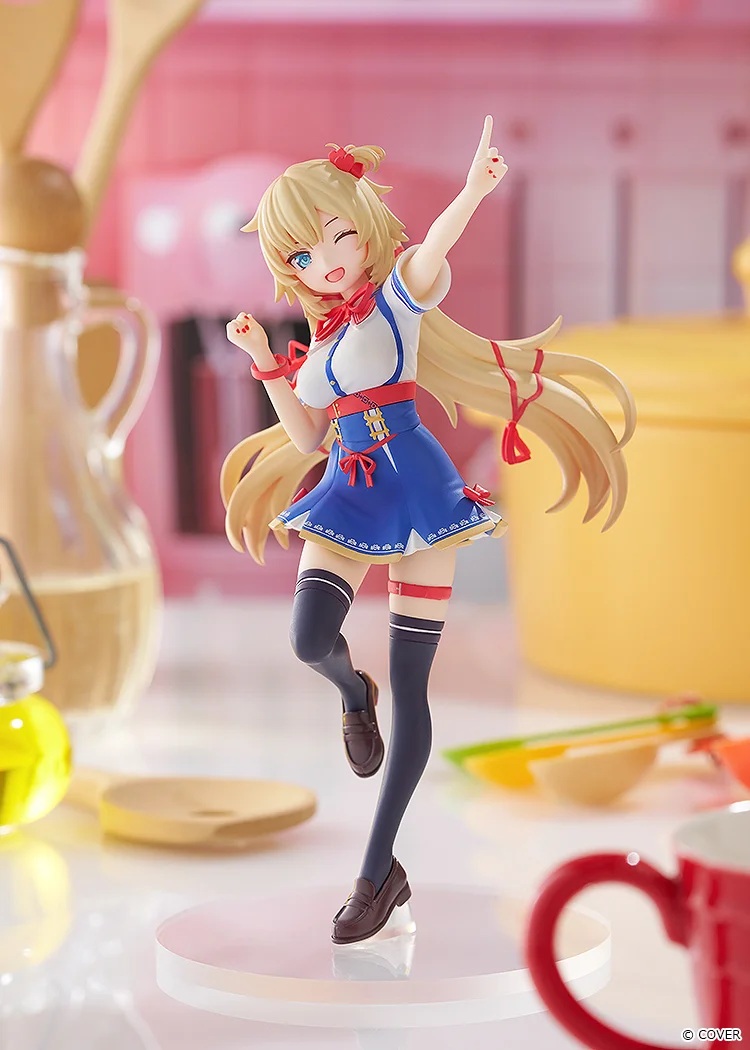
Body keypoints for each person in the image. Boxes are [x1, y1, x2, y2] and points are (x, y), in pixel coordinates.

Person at [221, 116, 635, 944]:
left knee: (414, 688)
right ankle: (353, 693)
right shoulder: (322, 343)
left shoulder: (396, 301)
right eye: (300, 255)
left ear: (363, 228)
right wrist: (267, 361)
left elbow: (435, 246)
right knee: (309, 640)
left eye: (335, 237)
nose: (323, 262)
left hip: (418, 493)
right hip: (347, 487)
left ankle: (378, 873)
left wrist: (475, 189)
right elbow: (307, 437)